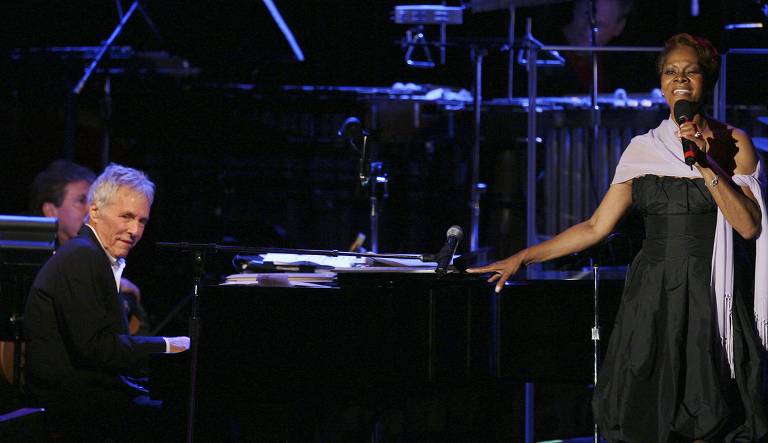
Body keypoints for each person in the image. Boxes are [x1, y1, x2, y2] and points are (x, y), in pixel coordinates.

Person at [470, 33, 768, 441]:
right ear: (661, 82)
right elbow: (595, 227)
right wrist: (522, 257)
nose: (679, 79)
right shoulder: (641, 149)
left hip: (710, 292)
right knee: (649, 416)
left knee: (710, 412)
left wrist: (706, 162)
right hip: (654, 295)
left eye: (689, 71)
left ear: (707, 80)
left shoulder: (734, 144)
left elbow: (749, 226)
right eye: (670, 72)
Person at [24, 163, 190, 439]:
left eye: (142, 221)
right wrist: (167, 345)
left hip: (90, 399)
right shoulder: (81, 257)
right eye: (126, 216)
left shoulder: (95, 257)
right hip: (72, 412)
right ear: (95, 211)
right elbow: (95, 348)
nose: (134, 230)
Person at [29, 159, 150, 335]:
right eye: (81, 200)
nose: (91, 208)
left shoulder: (103, 255)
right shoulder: (40, 263)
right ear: (50, 211)